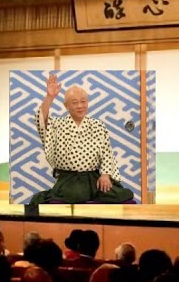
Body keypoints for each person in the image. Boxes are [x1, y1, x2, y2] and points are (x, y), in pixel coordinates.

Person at [28, 72, 134, 205]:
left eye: (83, 102)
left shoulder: (98, 125)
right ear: (66, 106)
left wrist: (105, 175)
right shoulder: (57, 124)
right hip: (69, 179)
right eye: (75, 102)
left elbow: (107, 153)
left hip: (93, 178)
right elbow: (41, 121)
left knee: (123, 195)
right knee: (75, 195)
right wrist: (49, 97)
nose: (80, 106)